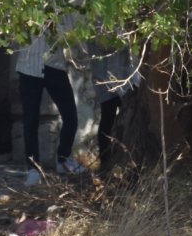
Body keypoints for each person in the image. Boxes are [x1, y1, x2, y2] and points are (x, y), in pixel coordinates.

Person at [15, 17, 87, 186]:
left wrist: (54, 23)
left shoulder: (60, 6)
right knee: (30, 119)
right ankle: (33, 168)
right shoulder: (23, 5)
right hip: (28, 67)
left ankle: (63, 159)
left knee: (70, 116)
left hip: (55, 66)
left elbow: (69, 37)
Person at [88, 43, 139, 179]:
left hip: (118, 78)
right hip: (110, 79)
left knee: (114, 117)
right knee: (109, 117)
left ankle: (125, 162)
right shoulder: (101, 27)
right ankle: (107, 164)